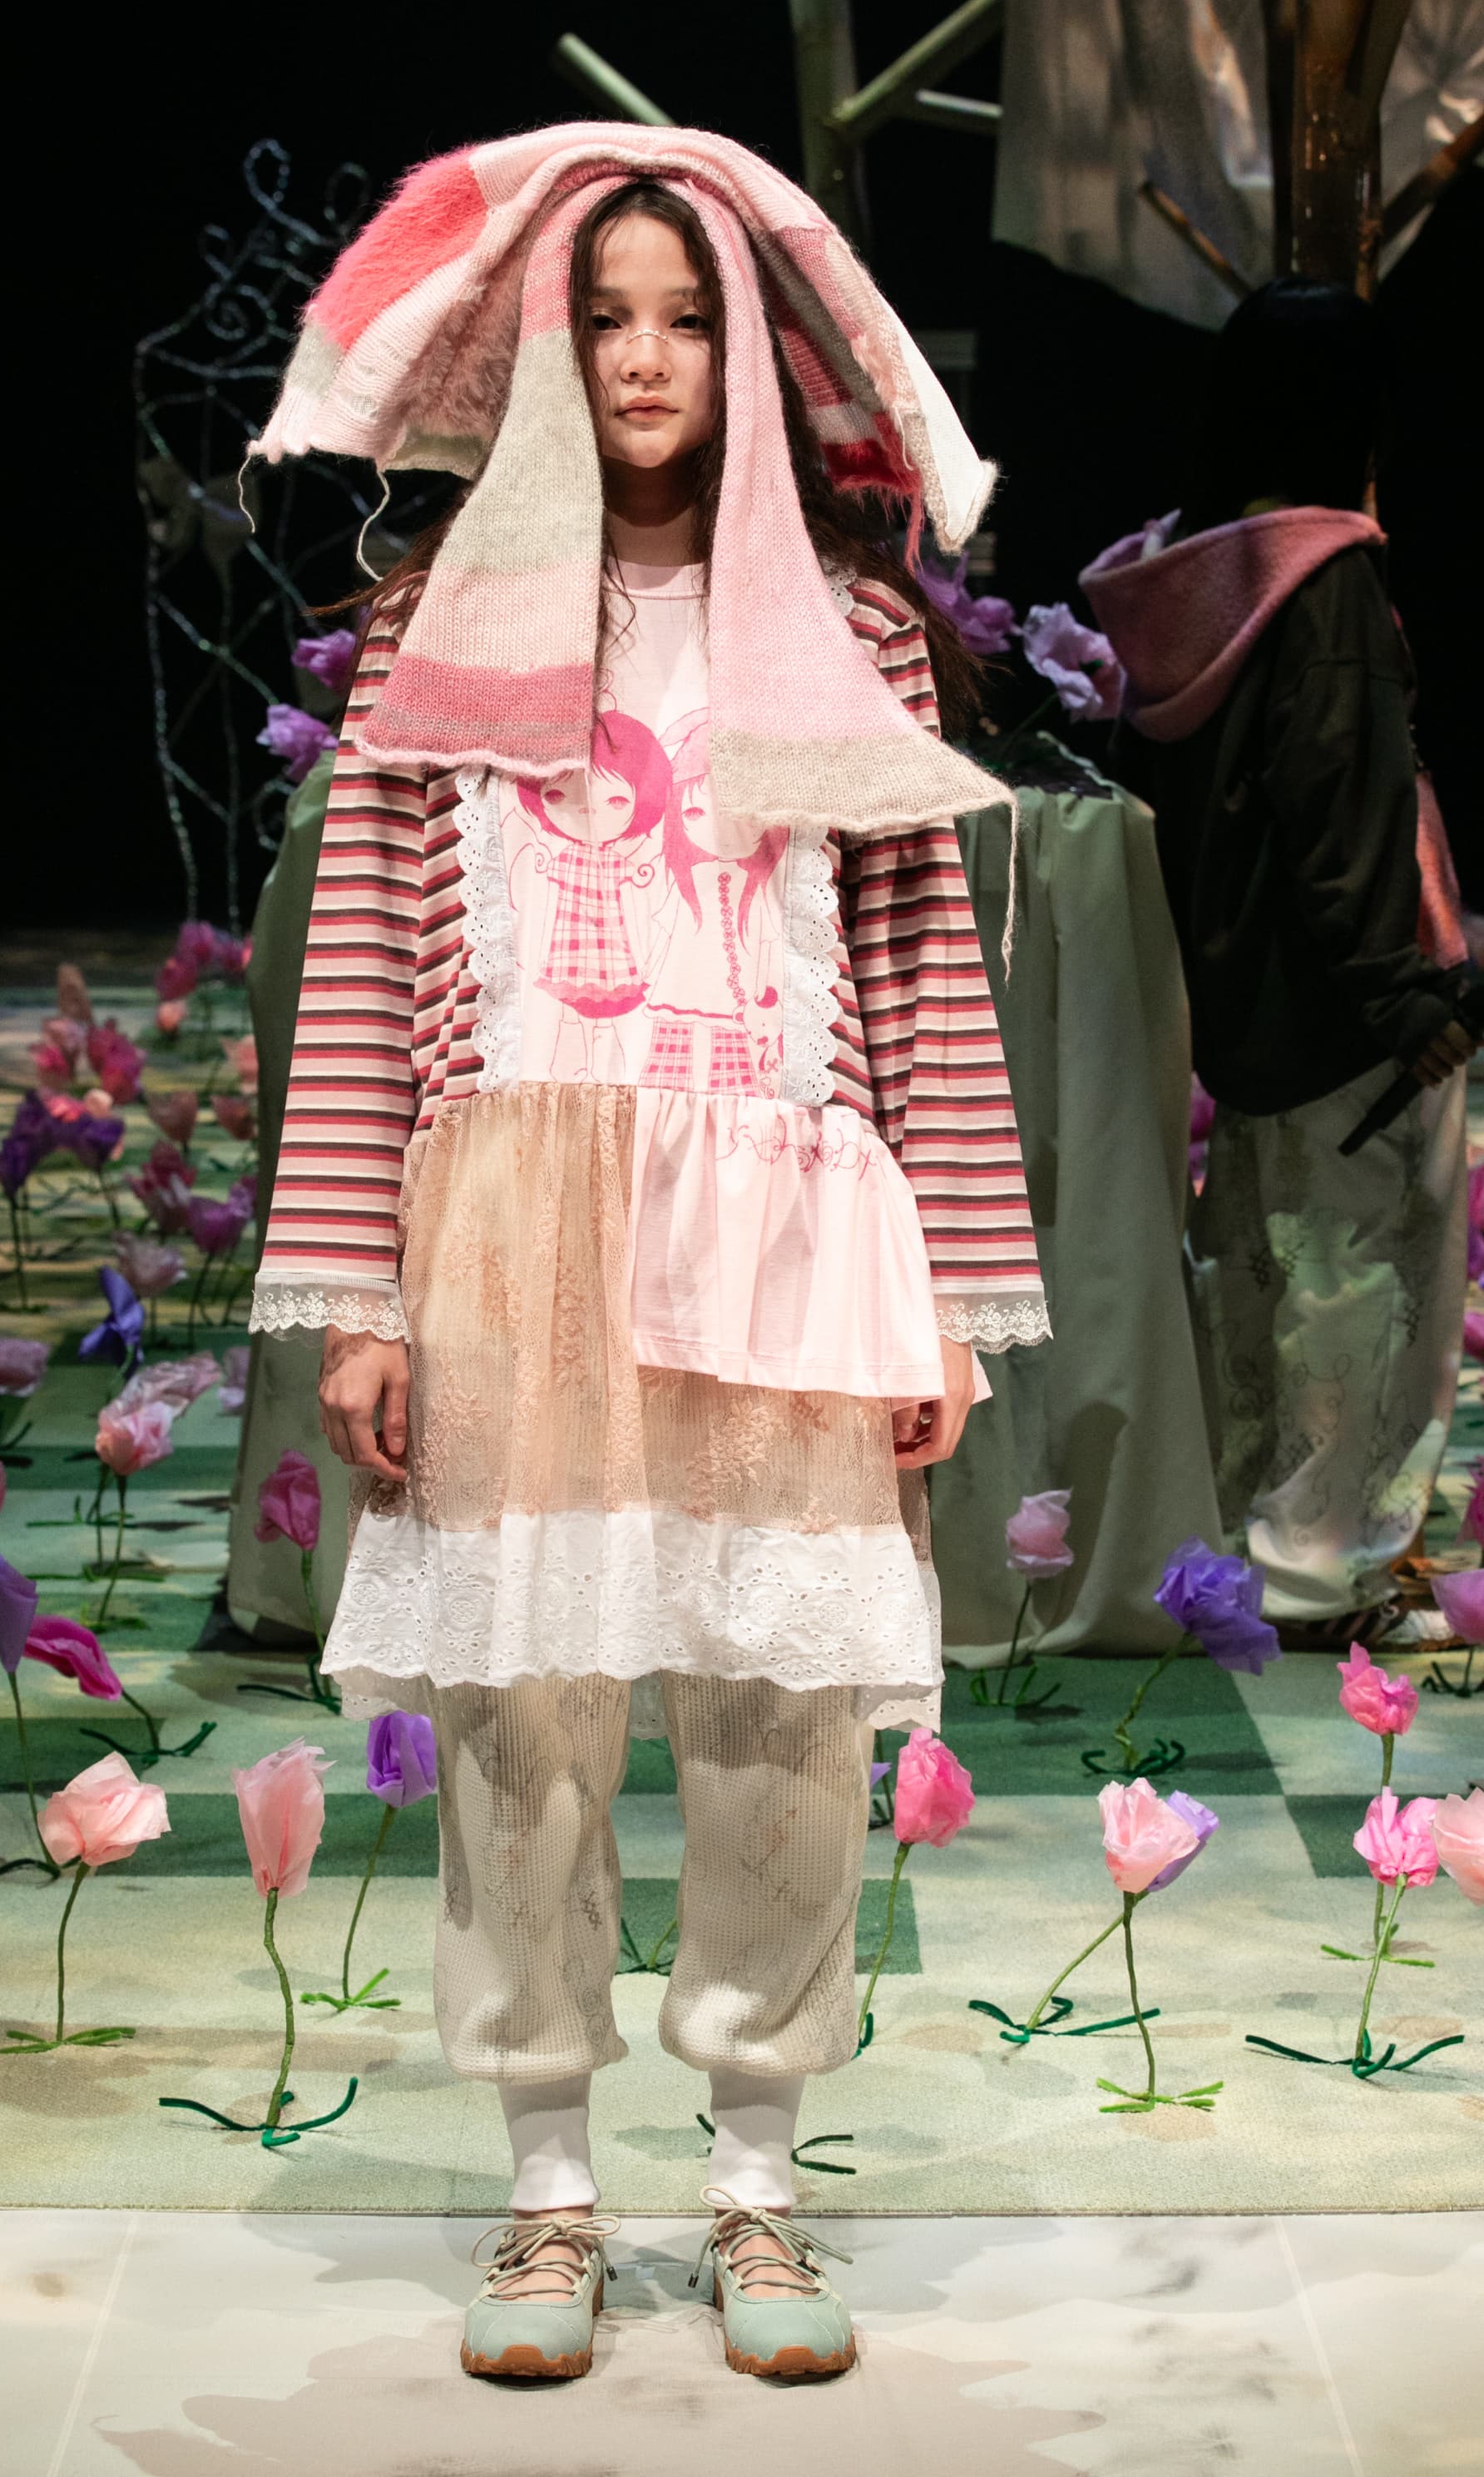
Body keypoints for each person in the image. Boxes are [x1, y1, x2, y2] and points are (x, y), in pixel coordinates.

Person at [247, 126, 1047, 2382]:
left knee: (780, 1714)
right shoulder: (434, 634)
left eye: (686, 316)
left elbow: (918, 986)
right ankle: (548, 2195)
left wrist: (948, 1304)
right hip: (517, 1230)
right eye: (600, 316)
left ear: (752, 353)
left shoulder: (854, 635)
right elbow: (366, 973)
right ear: (543, 347)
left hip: (784, 1231)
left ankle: (760, 2186)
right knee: (525, 1717)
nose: (642, 357)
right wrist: (365, 1297)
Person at [1083, 278, 1473, 1636]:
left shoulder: (1192, 577)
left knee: (1260, 1284)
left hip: (1248, 1006)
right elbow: (1340, 798)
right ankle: (1318, 1568)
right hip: (1354, 1017)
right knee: (1363, 1291)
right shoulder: (1325, 581)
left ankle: (1257, 1546)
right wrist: (1401, 994)